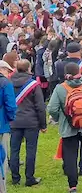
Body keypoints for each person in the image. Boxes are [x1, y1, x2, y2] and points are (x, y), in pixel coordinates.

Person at [47, 62, 82, 192]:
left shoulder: (60, 88)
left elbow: (52, 108)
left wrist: (59, 118)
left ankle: (73, 186)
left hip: (68, 128)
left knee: (70, 157)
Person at [9, 59, 45, 187]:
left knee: (14, 150)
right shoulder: (33, 85)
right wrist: (43, 124)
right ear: (29, 69)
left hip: (14, 121)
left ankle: (15, 178)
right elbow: (40, 106)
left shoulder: (8, 83)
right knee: (31, 150)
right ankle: (29, 178)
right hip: (31, 121)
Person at [0, 60, 16, 193]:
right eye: (8, 71)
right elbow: (11, 105)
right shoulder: (5, 83)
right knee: (2, 158)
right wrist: (10, 119)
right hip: (1, 125)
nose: (9, 74)